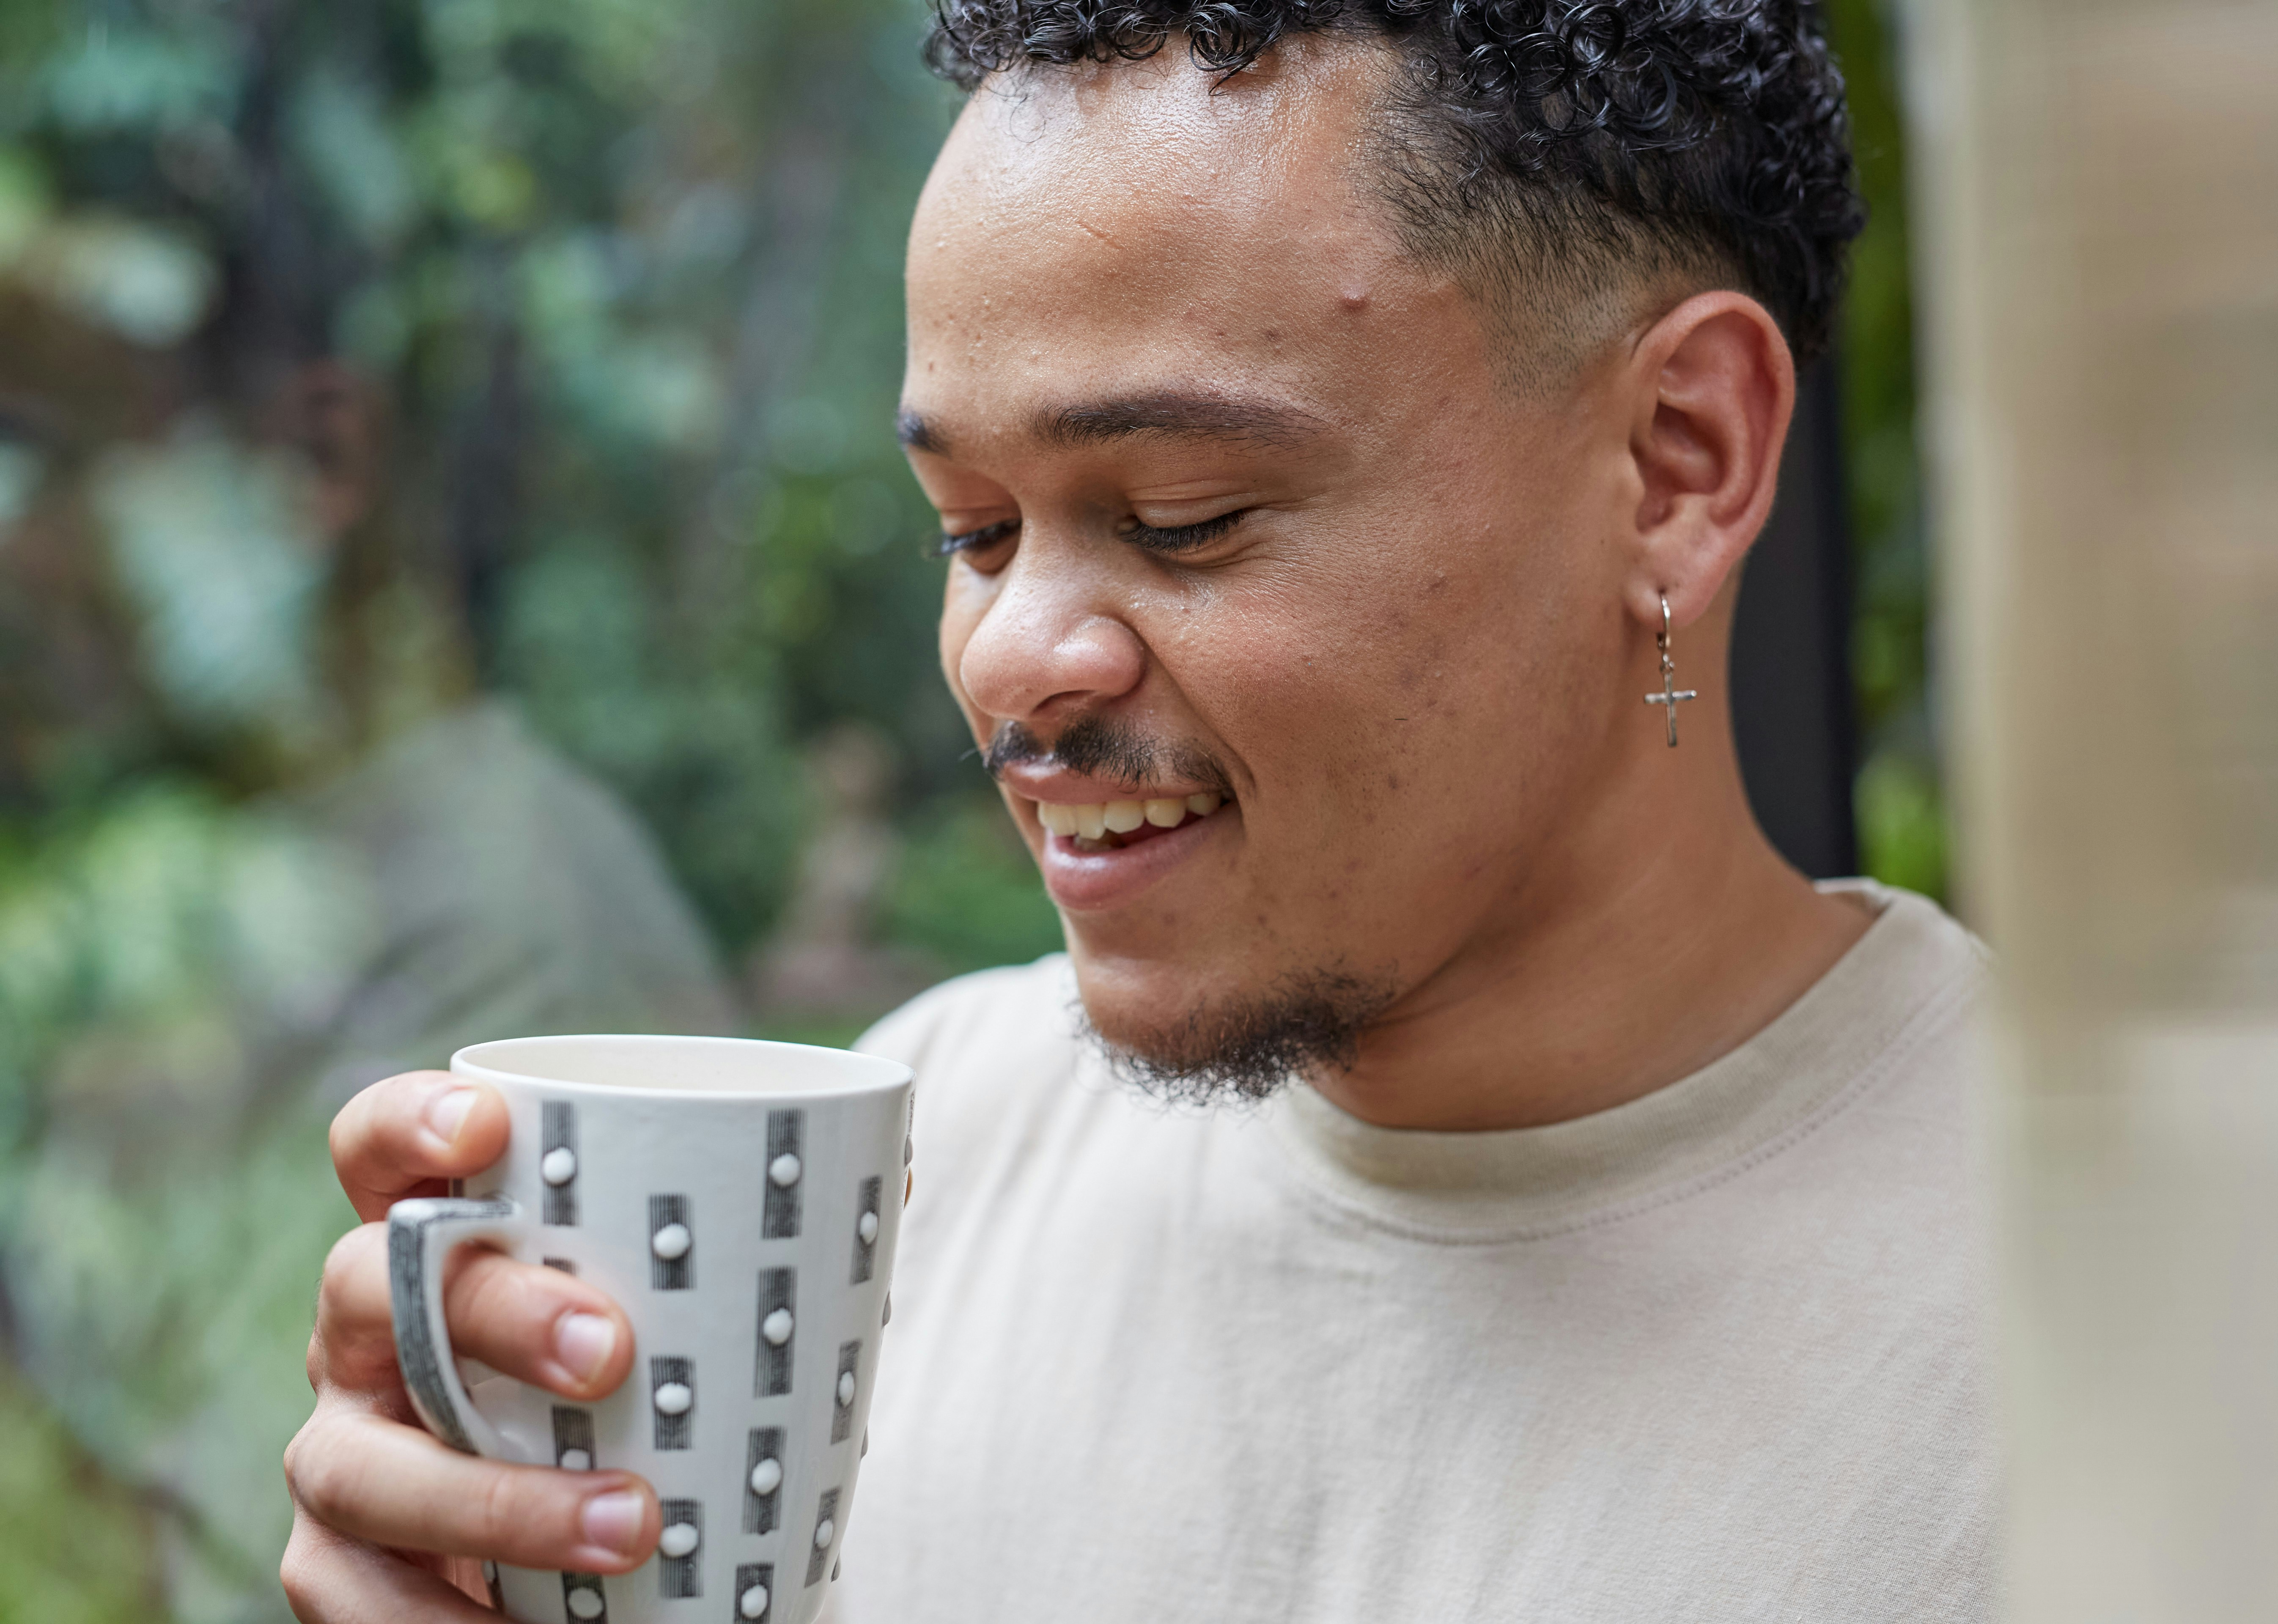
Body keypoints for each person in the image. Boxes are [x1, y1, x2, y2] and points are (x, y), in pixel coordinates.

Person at [280, 1, 1998, 1619]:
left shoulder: (2098, 1310)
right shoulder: (917, 1170)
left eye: (1186, 517)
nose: (1008, 660)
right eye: (974, 531)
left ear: (1678, 460)